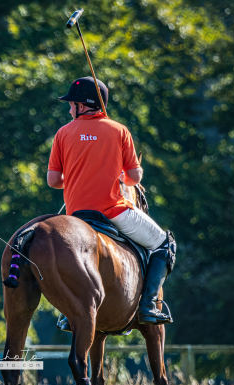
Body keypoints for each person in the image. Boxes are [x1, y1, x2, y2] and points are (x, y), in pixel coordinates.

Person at [47, 76, 176, 325]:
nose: (69, 108)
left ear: (82, 105)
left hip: (76, 216)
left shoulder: (62, 133)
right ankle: (148, 305)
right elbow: (135, 177)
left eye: (71, 104)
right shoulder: (119, 130)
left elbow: (53, 181)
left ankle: (67, 312)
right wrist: (118, 175)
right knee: (165, 244)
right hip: (114, 212)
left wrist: (76, 177)